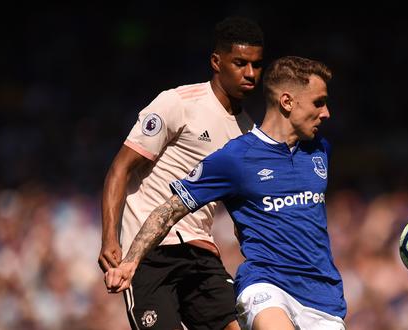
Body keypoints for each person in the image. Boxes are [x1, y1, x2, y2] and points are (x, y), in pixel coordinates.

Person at [105, 56, 347, 330]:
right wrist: (130, 262)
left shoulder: (320, 151)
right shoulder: (236, 158)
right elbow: (169, 209)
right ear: (287, 102)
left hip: (324, 297)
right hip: (268, 288)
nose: (327, 113)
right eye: (319, 102)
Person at [98, 17, 264, 330]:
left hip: (201, 253)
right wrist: (109, 237)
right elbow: (119, 168)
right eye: (240, 63)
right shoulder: (177, 103)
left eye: (256, 65)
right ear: (217, 61)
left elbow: (242, 208)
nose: (250, 74)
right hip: (148, 253)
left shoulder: (249, 133)